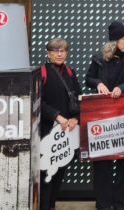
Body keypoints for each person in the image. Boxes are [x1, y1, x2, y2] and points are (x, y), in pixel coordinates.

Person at [85, 21, 124, 210]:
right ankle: (103, 204)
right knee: (102, 163)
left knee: (123, 162)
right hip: (102, 116)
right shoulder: (100, 57)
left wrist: (122, 87)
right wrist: (98, 83)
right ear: (115, 40)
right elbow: (88, 79)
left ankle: (119, 204)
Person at [40, 37, 82, 210]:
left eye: (62, 50)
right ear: (48, 53)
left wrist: (75, 119)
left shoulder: (70, 72)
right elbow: (38, 102)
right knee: (45, 175)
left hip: (67, 133)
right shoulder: (42, 72)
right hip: (47, 131)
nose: (59, 54)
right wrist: (57, 116)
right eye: (55, 51)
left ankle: (52, 206)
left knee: (59, 172)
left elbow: (79, 99)